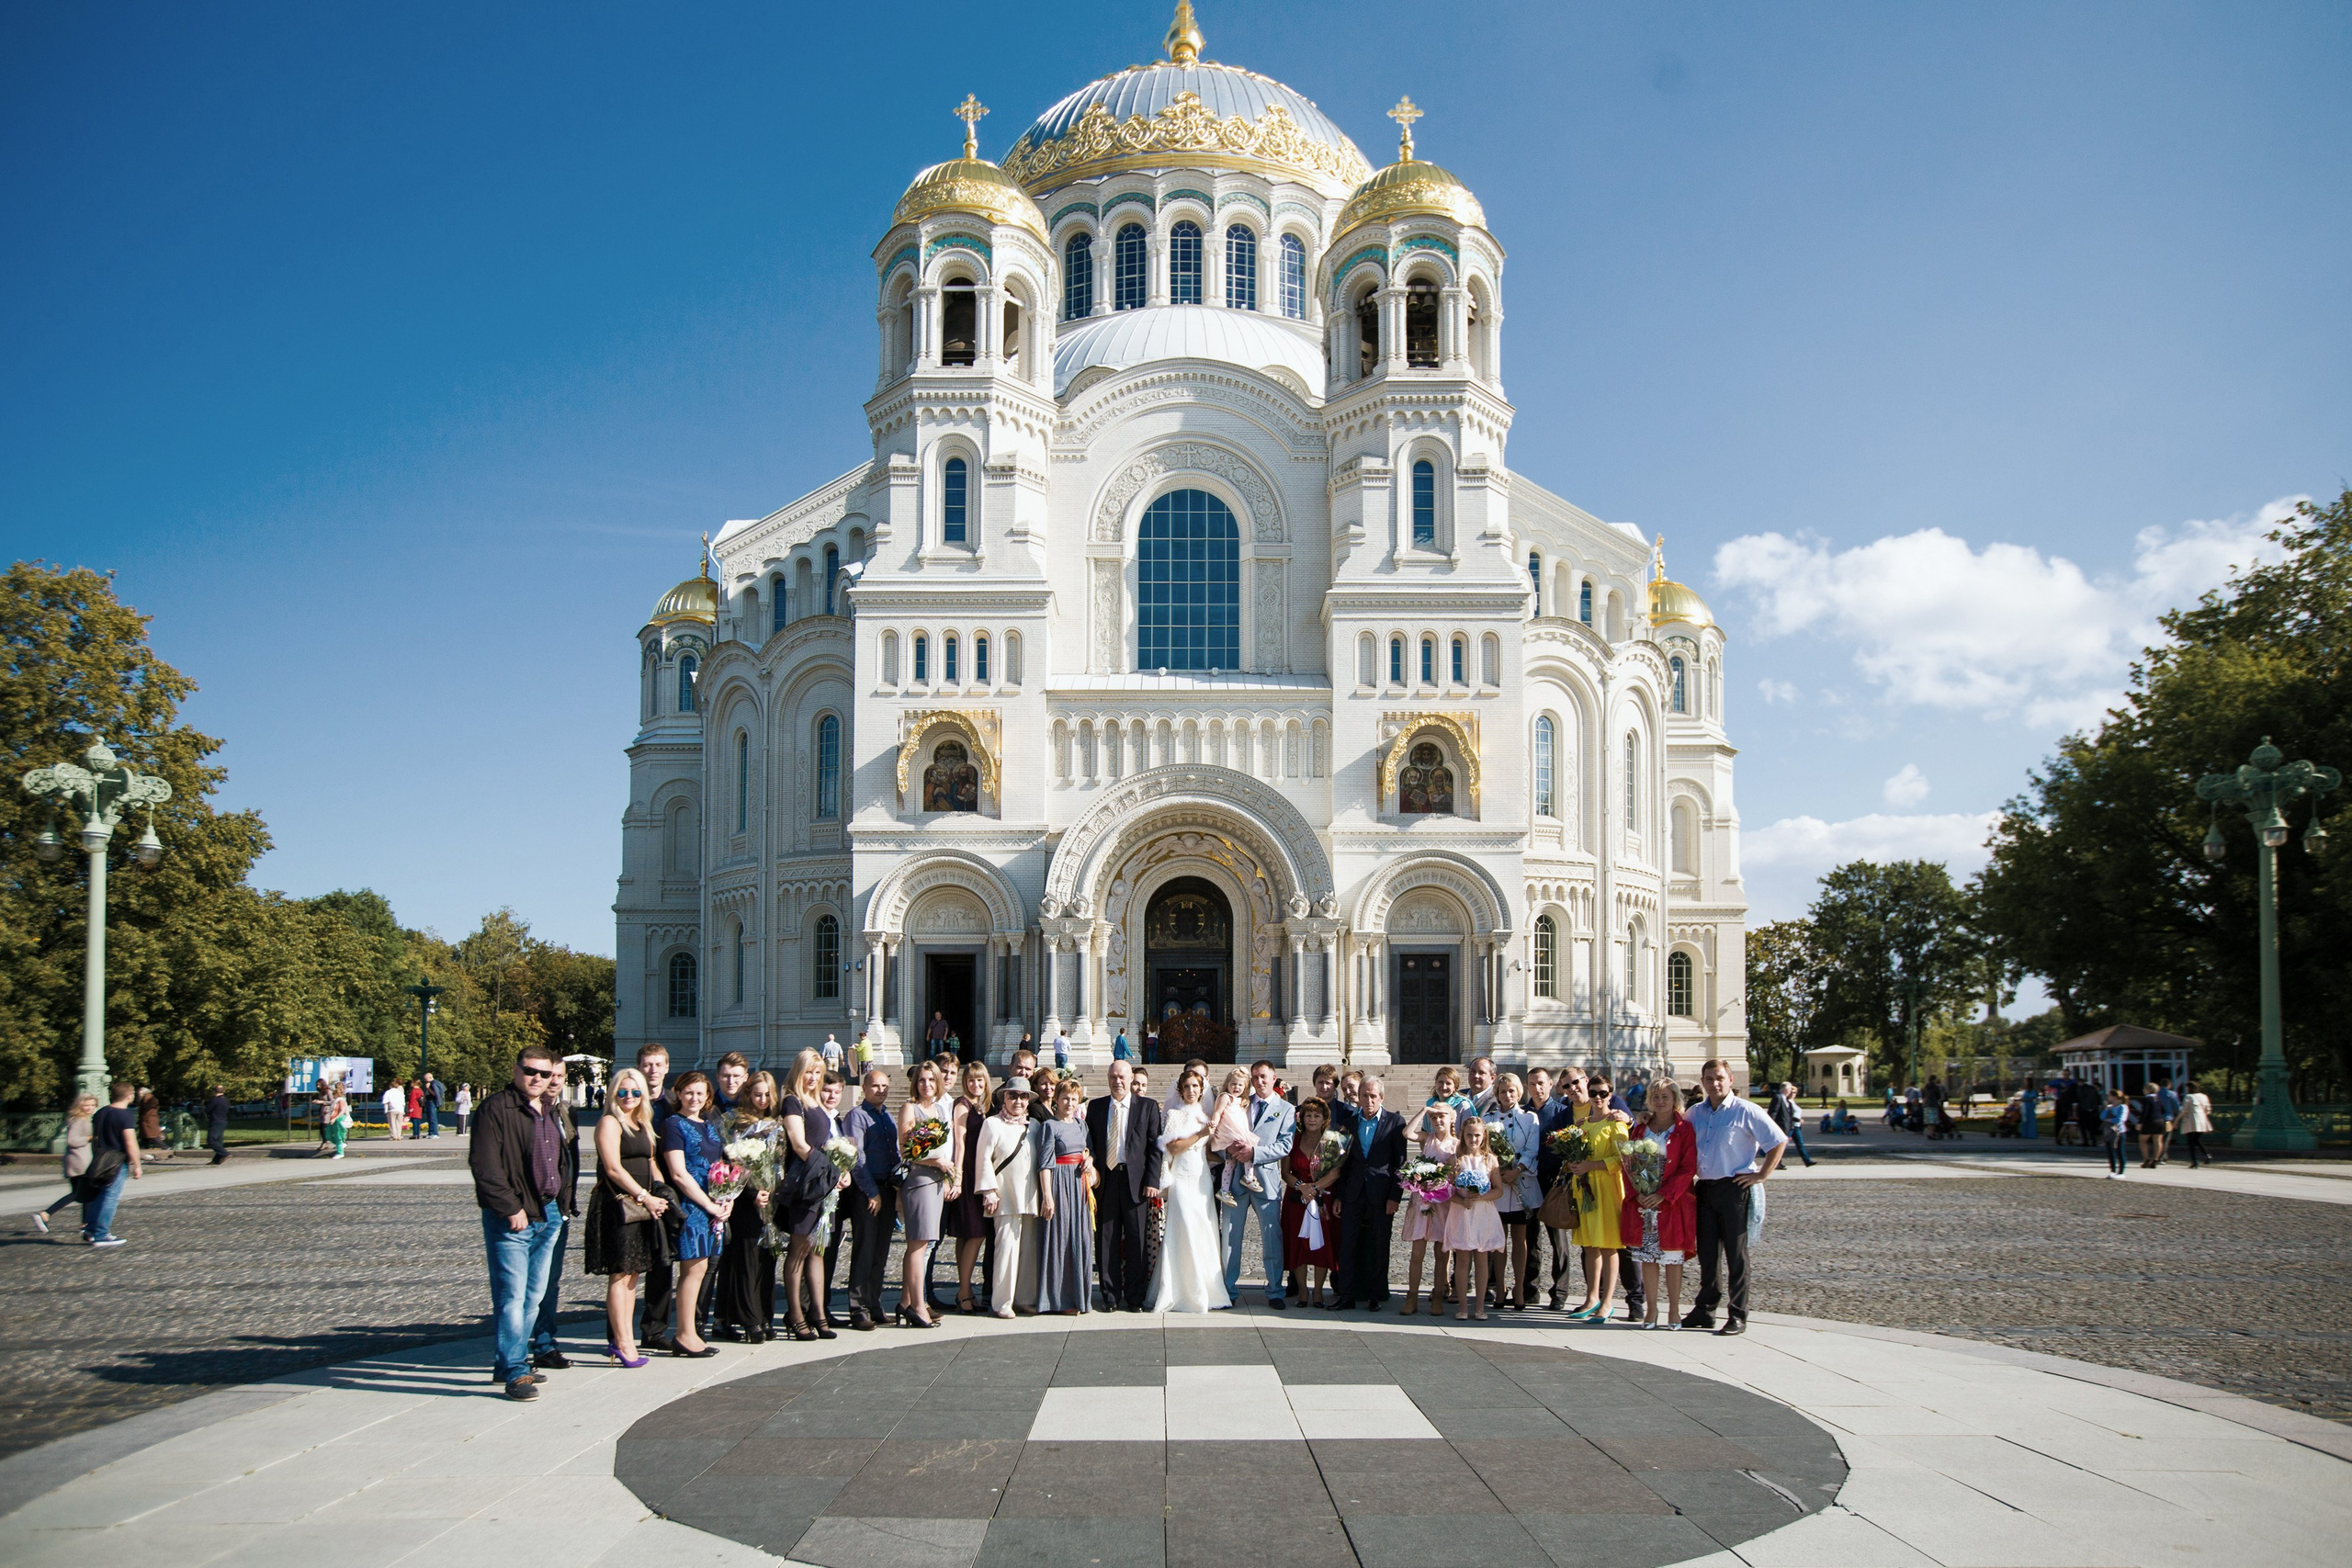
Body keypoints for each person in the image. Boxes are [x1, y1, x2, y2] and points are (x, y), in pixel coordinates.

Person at [469, 1048, 568, 1397]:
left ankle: (510, 1362)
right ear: (515, 1070)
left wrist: (563, 1203)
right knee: (511, 1296)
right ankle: (514, 1369)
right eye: (531, 1071)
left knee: (533, 1295)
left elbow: (559, 1161)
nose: (538, 1079)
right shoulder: (496, 1108)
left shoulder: (549, 1110)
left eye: (545, 1073)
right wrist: (510, 1208)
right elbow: (485, 1166)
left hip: (549, 1212)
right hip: (514, 1217)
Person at [1681, 1058, 1789, 1336]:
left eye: (1719, 1078)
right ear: (1702, 1082)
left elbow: (1778, 1141)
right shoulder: (1696, 1113)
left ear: (1730, 1079)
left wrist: (1762, 1174)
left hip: (1734, 1189)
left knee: (1736, 1255)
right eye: (1708, 1078)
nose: (1714, 1083)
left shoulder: (1746, 1111)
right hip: (1705, 1188)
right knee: (1707, 1254)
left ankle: (1738, 1313)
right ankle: (1705, 1309)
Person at [585, 1066, 669, 1367]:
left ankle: (626, 1338)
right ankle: (621, 1342)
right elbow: (613, 1169)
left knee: (633, 1274)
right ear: (613, 1094)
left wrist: (660, 1192)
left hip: (643, 1207)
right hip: (619, 1206)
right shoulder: (609, 1122)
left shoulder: (642, 1122)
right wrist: (645, 1197)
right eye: (623, 1091)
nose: (629, 1097)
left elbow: (650, 1161)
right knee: (620, 1275)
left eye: (635, 1092)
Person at [1146, 1063, 1231, 1313]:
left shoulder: (1204, 1116)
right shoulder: (1174, 1115)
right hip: (1181, 1178)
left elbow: (1205, 1151)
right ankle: (1180, 1291)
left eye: (1195, 1086)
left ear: (1202, 1089)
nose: (1191, 1090)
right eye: (1187, 1087)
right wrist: (1200, 1134)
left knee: (1203, 1230)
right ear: (1180, 1091)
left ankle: (1208, 1290)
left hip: (1201, 1178)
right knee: (1182, 1228)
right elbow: (1171, 1149)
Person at [775, 1050, 844, 1342]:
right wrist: (830, 1169)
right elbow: (799, 1144)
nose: (814, 1077)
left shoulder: (815, 1102)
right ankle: (795, 1315)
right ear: (798, 1073)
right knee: (799, 1250)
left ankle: (818, 1313)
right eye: (808, 1072)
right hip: (806, 1184)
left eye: (818, 1072)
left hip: (821, 1183)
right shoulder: (793, 1100)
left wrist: (841, 1164)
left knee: (817, 1251)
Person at [656, 1072, 727, 1358]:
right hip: (692, 1206)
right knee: (692, 1270)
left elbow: (722, 1165)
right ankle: (684, 1334)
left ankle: (692, 1331)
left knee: (704, 1269)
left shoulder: (710, 1124)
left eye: (700, 1093)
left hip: (714, 1205)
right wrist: (709, 1206)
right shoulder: (673, 1125)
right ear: (679, 1094)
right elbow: (678, 1173)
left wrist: (726, 1200)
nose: (694, 1098)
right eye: (689, 1092)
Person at [1087, 1059, 1164, 1312]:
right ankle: (1109, 1296)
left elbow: (1155, 1147)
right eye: (1113, 1077)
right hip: (1106, 1180)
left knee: (1136, 1240)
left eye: (1122, 1077)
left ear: (1131, 1079)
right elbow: (1092, 1144)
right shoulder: (1096, 1107)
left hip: (1136, 1182)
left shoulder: (1148, 1107)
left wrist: (1153, 1180)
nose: (1117, 1081)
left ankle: (1135, 1297)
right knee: (1106, 1240)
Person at [1216, 1061, 1295, 1311]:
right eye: (1255, 1077)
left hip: (1266, 1182)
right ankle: (1228, 1289)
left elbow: (1285, 1145)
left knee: (1272, 1237)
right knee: (1230, 1238)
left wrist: (1255, 1153)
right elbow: (1222, 1130)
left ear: (1274, 1078)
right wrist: (1227, 1149)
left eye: (1263, 1077)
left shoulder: (1286, 1109)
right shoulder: (1240, 1101)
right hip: (1236, 1181)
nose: (1259, 1081)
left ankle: (1275, 1290)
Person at [1622, 1079, 1698, 1329]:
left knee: (1672, 1257)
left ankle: (1674, 1310)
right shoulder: (1642, 1128)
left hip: (1671, 1203)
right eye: (1655, 1097)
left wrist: (1665, 1194)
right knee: (1648, 1257)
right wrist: (1638, 1192)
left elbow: (1688, 1167)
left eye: (1665, 1096)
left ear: (1675, 1099)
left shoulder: (1684, 1129)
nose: (1660, 1101)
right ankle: (1651, 1309)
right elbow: (1629, 1163)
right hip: (1645, 1204)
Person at [715, 1071, 781, 1342]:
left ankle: (763, 1315)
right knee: (746, 1259)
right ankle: (749, 1320)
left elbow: (779, 1161)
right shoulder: (733, 1122)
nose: (762, 1099)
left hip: (770, 1199)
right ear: (747, 1094)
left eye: (767, 1094)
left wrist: (772, 1188)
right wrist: (751, 1190)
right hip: (743, 1199)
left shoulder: (775, 1124)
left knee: (768, 1260)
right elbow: (731, 1160)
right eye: (757, 1094)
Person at [975, 1077, 1046, 1317]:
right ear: (1003, 1098)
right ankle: (1002, 1302)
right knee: (1005, 1250)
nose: (1018, 1101)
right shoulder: (992, 1124)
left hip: (1030, 1197)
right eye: (1013, 1096)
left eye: (1023, 1096)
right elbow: (983, 1158)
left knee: (1028, 1250)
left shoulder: (1034, 1126)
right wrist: (989, 1190)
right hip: (1004, 1196)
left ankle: (1025, 1298)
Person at [1333, 1076, 1403, 1311]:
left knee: (1379, 1244)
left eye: (1373, 1096)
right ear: (1358, 1097)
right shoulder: (1350, 1123)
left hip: (1381, 1194)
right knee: (1348, 1245)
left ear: (1381, 1098)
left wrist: (1395, 1197)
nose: (1369, 1100)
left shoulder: (1395, 1122)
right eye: (1365, 1095)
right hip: (1353, 1193)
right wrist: (1340, 1196)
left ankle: (1376, 1295)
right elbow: (1343, 1165)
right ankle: (1347, 1295)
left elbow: (1400, 1164)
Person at [529, 1061, 582, 1371]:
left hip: (559, 1207)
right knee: (526, 1282)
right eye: (550, 1075)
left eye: (560, 1076)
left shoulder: (565, 1112)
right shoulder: (528, 1111)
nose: (554, 1082)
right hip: (531, 1208)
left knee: (550, 1280)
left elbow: (569, 1160)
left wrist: (570, 1198)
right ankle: (520, 1344)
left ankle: (545, 1343)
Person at [897, 1058, 956, 1327]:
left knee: (926, 1243)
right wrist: (937, 1163)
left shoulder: (939, 1112)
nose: (927, 1085)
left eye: (932, 1080)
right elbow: (907, 1151)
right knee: (917, 1245)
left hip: (935, 1181)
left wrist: (945, 1175)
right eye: (922, 1080)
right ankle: (918, 1306)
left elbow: (943, 1148)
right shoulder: (910, 1108)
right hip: (919, 1180)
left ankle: (906, 1302)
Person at [630, 1044, 682, 1350]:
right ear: (638, 1067)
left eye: (658, 1064)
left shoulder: (673, 1104)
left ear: (666, 1067)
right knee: (628, 1267)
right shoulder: (626, 1101)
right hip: (634, 1189)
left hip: (665, 1191)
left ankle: (654, 1329)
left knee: (663, 1262)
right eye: (647, 1065)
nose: (652, 1070)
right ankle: (619, 1331)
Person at [840, 1068, 896, 1331]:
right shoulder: (856, 1116)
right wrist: (871, 1191)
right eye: (875, 1086)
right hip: (867, 1191)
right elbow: (856, 1157)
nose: (880, 1090)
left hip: (887, 1188)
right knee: (864, 1248)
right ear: (864, 1088)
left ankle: (874, 1303)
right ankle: (857, 1307)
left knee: (881, 1250)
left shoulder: (887, 1117)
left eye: (884, 1086)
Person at [1486, 1073, 1542, 1309]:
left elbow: (1532, 1149)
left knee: (1521, 1239)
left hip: (1522, 1184)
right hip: (1499, 1187)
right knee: (1499, 1241)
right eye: (1502, 1091)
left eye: (1511, 1091)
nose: (1507, 1096)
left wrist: (1517, 1170)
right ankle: (1500, 1288)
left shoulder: (1530, 1119)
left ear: (1519, 1092)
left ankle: (1519, 1288)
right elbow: (1484, 1148)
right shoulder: (1488, 1118)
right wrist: (1499, 1174)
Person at [1281, 1096, 1341, 1308]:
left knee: (1321, 1245)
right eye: (1308, 1115)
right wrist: (1302, 1187)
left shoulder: (1331, 1140)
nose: (1312, 1119)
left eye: (1317, 1115)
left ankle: (1318, 1291)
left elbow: (1335, 1172)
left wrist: (1314, 1188)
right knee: (1299, 1244)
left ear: (1324, 1118)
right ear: (1302, 1118)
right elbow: (1285, 1172)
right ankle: (1303, 1291)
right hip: (1297, 1199)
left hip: (1321, 1197)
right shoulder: (1293, 1139)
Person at [1443, 1115, 1505, 1321]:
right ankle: (1462, 1305)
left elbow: (1499, 1190)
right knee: (1462, 1259)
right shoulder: (1455, 1160)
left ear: (1484, 1136)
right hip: (1462, 1213)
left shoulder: (1490, 1159)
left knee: (1481, 1259)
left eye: (1477, 1135)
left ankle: (1479, 1306)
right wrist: (1462, 1201)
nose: (1473, 1139)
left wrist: (1481, 1197)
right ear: (1462, 1135)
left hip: (1483, 1214)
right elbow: (1446, 1190)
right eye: (1469, 1135)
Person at [1398, 1100, 1456, 1315]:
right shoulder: (1427, 1139)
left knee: (1442, 1253)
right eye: (1434, 1117)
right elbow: (1407, 1132)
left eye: (1442, 1115)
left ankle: (1438, 1296)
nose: (1438, 1119)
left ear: (1452, 1118)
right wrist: (1424, 1110)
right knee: (1417, 1251)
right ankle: (1411, 1297)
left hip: (1443, 1202)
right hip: (1422, 1201)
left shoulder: (1457, 1144)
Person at [946, 1060, 993, 1314]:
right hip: (967, 1175)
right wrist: (958, 1177)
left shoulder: (982, 1107)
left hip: (979, 1172)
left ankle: (964, 1290)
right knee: (975, 1233)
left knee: (968, 1234)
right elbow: (960, 1144)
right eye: (971, 1080)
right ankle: (964, 1291)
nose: (976, 1084)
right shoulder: (963, 1106)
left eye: (980, 1080)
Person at [33, 1092, 99, 1235]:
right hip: (80, 1161)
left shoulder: (80, 1118)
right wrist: (89, 1138)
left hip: (78, 1160)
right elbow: (72, 1140)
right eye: (86, 1105)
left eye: (93, 1105)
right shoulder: (80, 1120)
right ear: (80, 1105)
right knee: (79, 1194)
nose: (90, 1108)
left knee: (87, 1194)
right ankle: (46, 1214)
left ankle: (85, 1224)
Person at [1769, 1081, 1815, 1168]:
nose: (1791, 1091)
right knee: (1782, 1145)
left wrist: (1797, 1120)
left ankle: (1807, 1161)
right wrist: (1772, 1124)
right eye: (1790, 1089)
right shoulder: (1778, 1097)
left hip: (1791, 1126)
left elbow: (1788, 1115)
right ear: (1785, 1089)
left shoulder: (1786, 1100)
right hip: (1783, 1126)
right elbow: (1773, 1112)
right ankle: (1776, 1163)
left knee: (1798, 1144)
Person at [2176, 1080, 2214, 1169]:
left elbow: (2184, 1110)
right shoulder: (2204, 1096)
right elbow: (2208, 1109)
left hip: (2191, 1121)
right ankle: (2206, 1154)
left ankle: (2194, 1161)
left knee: (2191, 1142)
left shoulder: (2189, 1097)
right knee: (2196, 1140)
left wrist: (2176, 1120)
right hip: (2202, 1120)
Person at [2101, 1089, 2134, 1178]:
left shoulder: (2122, 1107)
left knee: (2120, 1151)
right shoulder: (2110, 1107)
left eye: (2110, 1096)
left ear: (2114, 1097)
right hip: (2109, 1131)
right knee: (2110, 1151)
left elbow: (2120, 1119)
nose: (2108, 1097)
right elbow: (2102, 1117)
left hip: (2119, 1131)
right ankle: (2113, 1170)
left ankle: (2121, 1172)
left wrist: (2109, 1119)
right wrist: (2106, 1109)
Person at [204, 1086, 230, 1165]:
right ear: (223, 1091)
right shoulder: (226, 1100)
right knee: (218, 1141)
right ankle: (216, 1160)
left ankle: (224, 1153)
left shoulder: (214, 1100)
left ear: (214, 1091)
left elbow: (207, 1110)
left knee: (211, 1140)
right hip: (223, 1121)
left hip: (215, 1121)